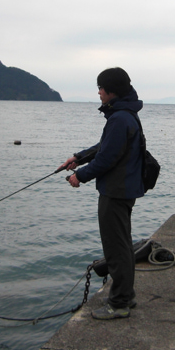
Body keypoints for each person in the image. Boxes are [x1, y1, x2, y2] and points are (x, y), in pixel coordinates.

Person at [57, 68, 144, 320]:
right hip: (123, 189)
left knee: (116, 248)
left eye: (100, 88)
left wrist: (79, 176)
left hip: (116, 192)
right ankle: (125, 295)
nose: (98, 93)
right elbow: (105, 147)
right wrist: (78, 157)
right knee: (123, 245)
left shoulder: (119, 118)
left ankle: (119, 304)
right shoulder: (125, 114)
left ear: (111, 91)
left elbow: (107, 158)